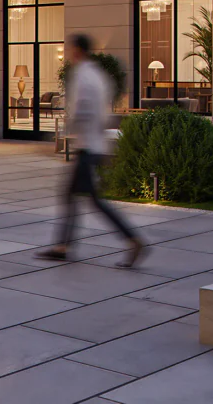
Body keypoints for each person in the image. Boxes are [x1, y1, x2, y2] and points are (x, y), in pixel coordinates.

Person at [39, 34, 145, 267]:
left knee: (91, 200)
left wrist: (69, 130)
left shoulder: (83, 76)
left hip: (87, 146)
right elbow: (102, 112)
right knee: (73, 196)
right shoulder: (98, 75)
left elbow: (81, 111)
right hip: (95, 144)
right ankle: (62, 246)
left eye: (70, 49)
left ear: (77, 50)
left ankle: (133, 239)